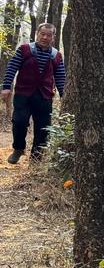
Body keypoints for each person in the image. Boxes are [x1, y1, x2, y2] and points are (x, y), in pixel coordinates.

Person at [2, 23, 66, 164]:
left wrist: (64, 96)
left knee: (43, 128)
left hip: (44, 96)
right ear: (37, 33)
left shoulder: (56, 55)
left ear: (53, 37)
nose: (45, 37)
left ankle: (36, 158)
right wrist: (6, 86)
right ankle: (18, 149)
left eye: (49, 35)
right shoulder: (25, 50)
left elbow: (61, 77)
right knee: (19, 122)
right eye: (42, 34)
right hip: (23, 94)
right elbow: (12, 67)